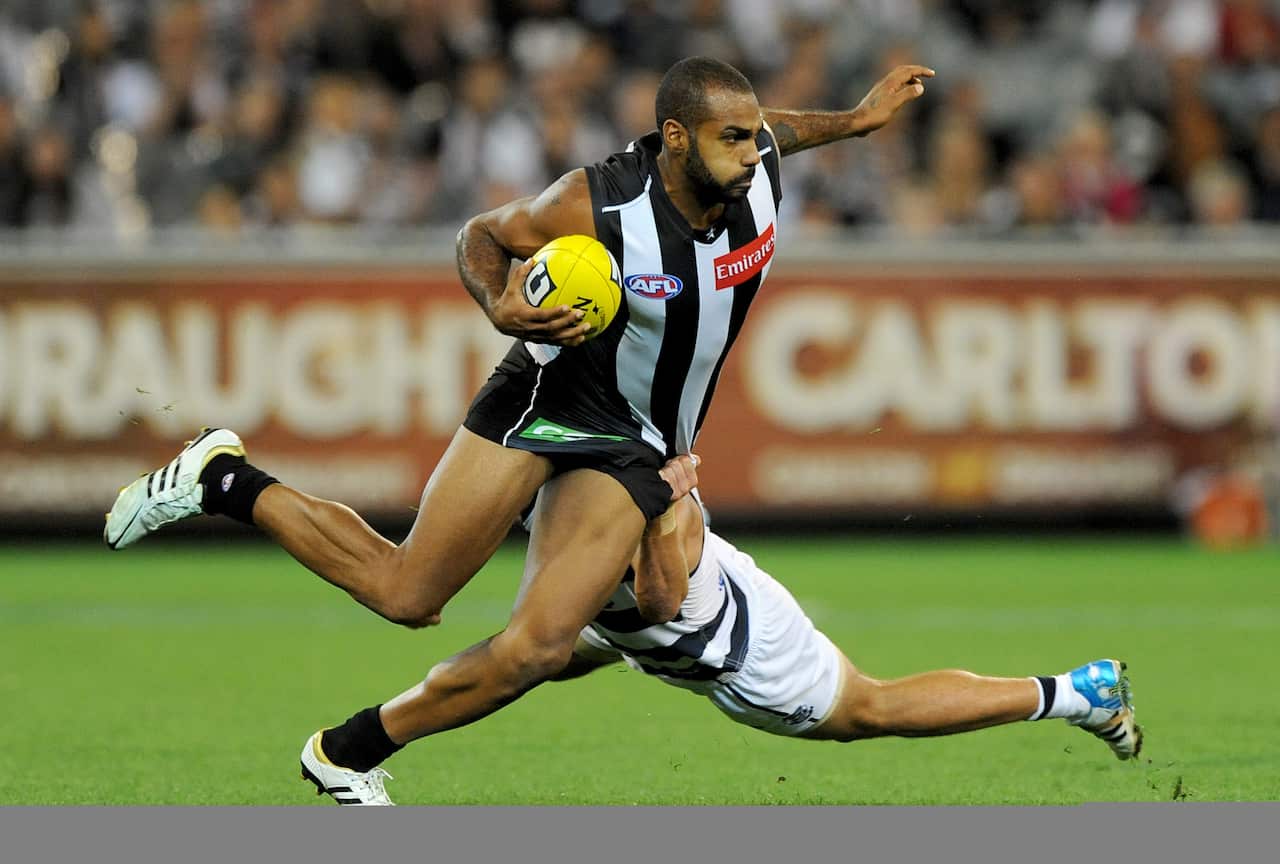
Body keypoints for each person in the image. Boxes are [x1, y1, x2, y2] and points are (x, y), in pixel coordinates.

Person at [104, 57, 934, 782]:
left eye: (755, 138)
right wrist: (500, 303)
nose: (753, 153)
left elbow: (779, 128)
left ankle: (350, 750)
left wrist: (855, 122)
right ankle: (222, 478)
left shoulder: (756, 171)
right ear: (677, 139)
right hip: (549, 396)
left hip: (633, 442)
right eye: (733, 139)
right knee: (407, 594)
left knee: (542, 647)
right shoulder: (594, 204)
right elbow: (482, 235)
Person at [299, 457, 1142, 805]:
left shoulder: (629, 468)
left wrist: (663, 511)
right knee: (533, 657)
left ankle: (1075, 693)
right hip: (635, 605)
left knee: (870, 708)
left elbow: (661, 600)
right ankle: (349, 751)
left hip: (715, 640)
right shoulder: (592, 417)